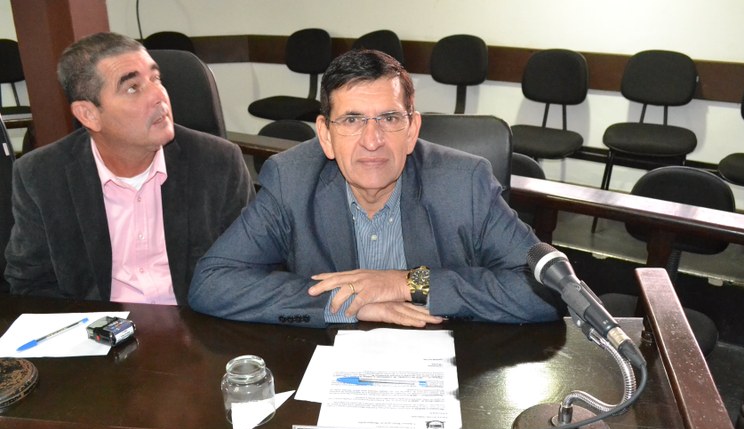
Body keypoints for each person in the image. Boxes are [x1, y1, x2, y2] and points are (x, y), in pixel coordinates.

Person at [188, 49, 558, 327]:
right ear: (325, 135)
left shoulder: (464, 182)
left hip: (452, 365)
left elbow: (547, 291)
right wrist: (348, 302)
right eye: (352, 120)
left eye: (389, 118)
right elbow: (212, 283)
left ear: (412, 130)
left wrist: (409, 283)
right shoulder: (291, 180)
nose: (372, 140)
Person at [4, 32, 254, 305]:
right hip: (99, 324)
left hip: (196, 321)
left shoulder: (218, 163)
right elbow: (30, 284)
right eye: (133, 88)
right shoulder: (41, 176)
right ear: (89, 114)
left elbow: (250, 267)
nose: (158, 95)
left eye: (156, 79)